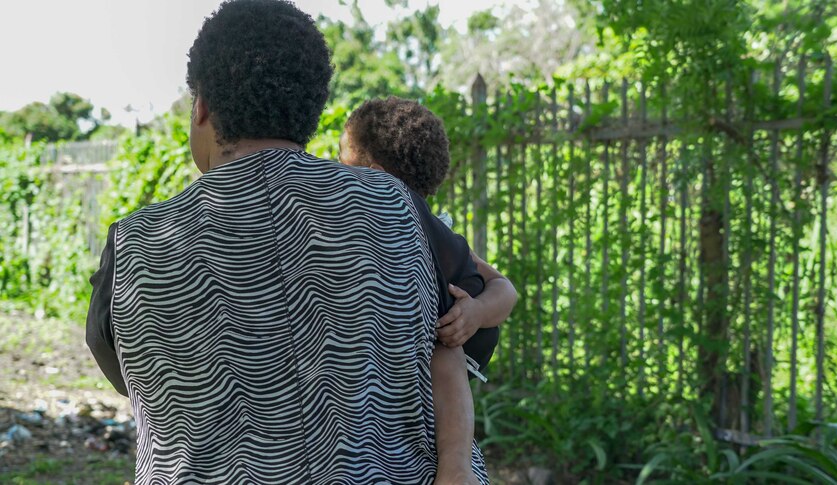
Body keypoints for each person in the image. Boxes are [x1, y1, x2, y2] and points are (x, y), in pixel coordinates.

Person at [85, 1, 485, 483]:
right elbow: (469, 334)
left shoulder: (136, 242)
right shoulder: (397, 206)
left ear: (203, 107)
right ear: (310, 111)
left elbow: (121, 366)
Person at [338, 97, 518, 372]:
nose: (335, 169)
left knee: (447, 356)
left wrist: (477, 312)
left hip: (428, 390)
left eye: (342, 159)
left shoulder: (434, 239)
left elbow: (504, 289)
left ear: (376, 179)